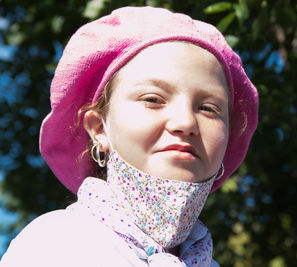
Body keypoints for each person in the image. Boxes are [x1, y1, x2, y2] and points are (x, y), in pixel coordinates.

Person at [0, 6, 258, 267]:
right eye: (153, 99)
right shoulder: (53, 246)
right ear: (99, 128)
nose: (186, 121)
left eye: (208, 108)